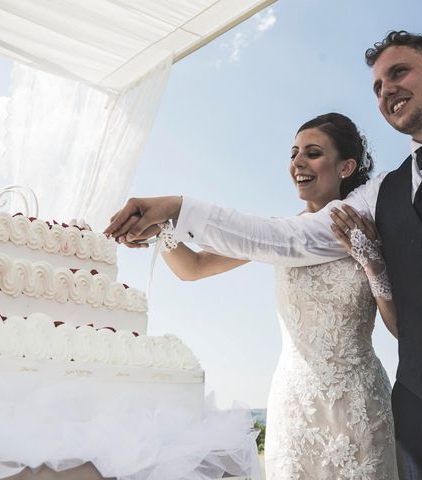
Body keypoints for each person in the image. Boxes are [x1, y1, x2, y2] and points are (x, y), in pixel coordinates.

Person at [105, 32, 422, 479]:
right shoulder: (378, 197)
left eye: (399, 72)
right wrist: (176, 212)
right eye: (377, 85)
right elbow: (286, 240)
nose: (387, 90)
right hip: (421, 427)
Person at [121, 113, 399, 479]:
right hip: (295, 406)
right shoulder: (276, 237)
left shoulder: (368, 227)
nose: (297, 162)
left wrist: (372, 261)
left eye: (313, 153)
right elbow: (194, 268)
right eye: (294, 152)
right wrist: (162, 231)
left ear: (346, 166)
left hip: (358, 404)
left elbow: (399, 328)